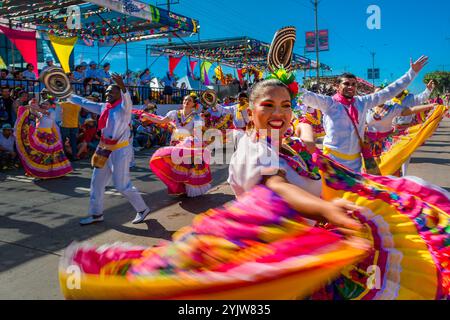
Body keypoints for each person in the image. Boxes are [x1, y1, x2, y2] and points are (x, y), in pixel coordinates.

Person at [300, 55, 429, 172]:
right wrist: (286, 81)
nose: (351, 87)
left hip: (355, 163)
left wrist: (412, 73)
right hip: (332, 161)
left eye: (353, 84)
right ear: (337, 86)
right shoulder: (329, 104)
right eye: (346, 84)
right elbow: (305, 95)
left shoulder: (362, 102)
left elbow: (389, 91)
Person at [67, 73, 151, 225]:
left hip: (120, 151)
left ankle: (142, 209)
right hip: (103, 149)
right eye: (106, 91)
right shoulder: (104, 107)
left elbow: (128, 100)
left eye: (111, 91)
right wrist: (66, 94)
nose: (107, 94)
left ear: (119, 93)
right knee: (96, 183)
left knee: (121, 185)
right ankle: (96, 214)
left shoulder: (124, 109)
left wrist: (123, 86)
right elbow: (84, 102)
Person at [144, 94, 212, 197]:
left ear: (194, 104)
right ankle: (180, 188)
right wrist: (147, 116)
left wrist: (195, 145)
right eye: (185, 99)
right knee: (176, 167)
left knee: (188, 168)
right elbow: (161, 121)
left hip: (188, 145)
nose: (186, 101)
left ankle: (189, 190)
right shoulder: (174, 113)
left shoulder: (197, 117)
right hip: (175, 144)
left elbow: (197, 132)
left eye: (189, 100)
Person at [15, 98, 72, 179]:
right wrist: (30, 105)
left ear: (51, 105)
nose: (44, 105)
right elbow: (33, 112)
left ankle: (53, 172)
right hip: (39, 134)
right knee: (41, 154)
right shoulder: (41, 113)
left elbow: (41, 111)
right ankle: (43, 172)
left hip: (48, 135)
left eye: (46, 104)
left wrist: (33, 106)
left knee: (51, 155)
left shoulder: (52, 112)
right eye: (44, 104)